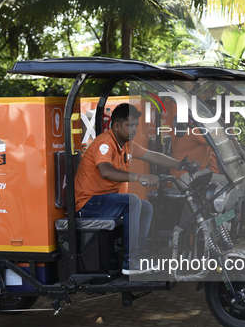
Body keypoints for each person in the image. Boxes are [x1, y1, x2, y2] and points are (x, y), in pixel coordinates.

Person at [75, 103, 181, 274]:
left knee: (145, 206)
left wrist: (182, 164)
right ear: (117, 126)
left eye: (136, 125)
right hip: (87, 203)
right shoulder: (105, 143)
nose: (134, 129)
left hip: (104, 200)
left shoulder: (126, 144)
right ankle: (131, 262)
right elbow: (106, 171)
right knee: (132, 201)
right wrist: (139, 177)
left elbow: (153, 156)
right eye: (130, 125)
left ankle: (138, 256)